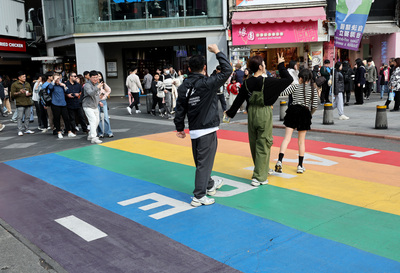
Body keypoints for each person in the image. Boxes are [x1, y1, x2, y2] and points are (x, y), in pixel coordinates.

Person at [174, 44, 232, 207]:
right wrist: (217, 52)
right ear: (204, 67)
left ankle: (209, 184)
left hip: (194, 130)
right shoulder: (207, 83)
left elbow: (180, 108)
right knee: (203, 163)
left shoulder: (184, 86)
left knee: (201, 161)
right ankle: (199, 196)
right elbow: (228, 71)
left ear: (190, 69)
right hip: (207, 128)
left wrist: (179, 127)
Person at [225, 53, 293, 187]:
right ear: (261, 67)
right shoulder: (268, 82)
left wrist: (229, 113)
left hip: (251, 114)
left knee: (254, 142)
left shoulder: (247, 83)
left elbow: (239, 100)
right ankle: (259, 177)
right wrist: (280, 65)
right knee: (264, 142)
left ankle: (262, 168)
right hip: (264, 113)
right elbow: (288, 79)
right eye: (264, 64)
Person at [274, 69, 319, 174]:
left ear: (300, 78)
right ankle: (300, 165)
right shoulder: (313, 90)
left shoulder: (295, 86)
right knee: (301, 141)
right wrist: (309, 115)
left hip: (293, 111)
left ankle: (279, 161)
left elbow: (282, 93)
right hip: (305, 112)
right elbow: (315, 105)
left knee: (287, 138)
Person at [49, 75, 76, 139]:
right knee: (57, 118)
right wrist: (54, 80)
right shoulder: (52, 86)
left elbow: (67, 92)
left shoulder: (61, 85)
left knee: (66, 118)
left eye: (59, 79)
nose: (58, 80)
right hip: (55, 104)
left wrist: (64, 86)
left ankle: (69, 132)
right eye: (57, 79)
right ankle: (59, 132)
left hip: (63, 104)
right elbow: (50, 88)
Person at [10, 71, 35, 136]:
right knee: (20, 117)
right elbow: (12, 95)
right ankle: (20, 130)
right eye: (23, 77)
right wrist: (19, 92)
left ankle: (27, 129)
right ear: (19, 78)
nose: (24, 78)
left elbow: (31, 92)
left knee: (27, 117)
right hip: (20, 102)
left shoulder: (27, 84)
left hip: (28, 102)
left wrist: (29, 94)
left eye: (25, 76)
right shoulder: (15, 84)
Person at [82, 70, 103, 144]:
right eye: (94, 77)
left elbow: (96, 95)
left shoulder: (96, 84)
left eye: (96, 77)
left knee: (97, 121)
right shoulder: (87, 85)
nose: (95, 79)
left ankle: (91, 134)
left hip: (95, 106)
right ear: (90, 78)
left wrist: (99, 101)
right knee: (93, 120)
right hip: (87, 106)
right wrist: (97, 87)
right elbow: (91, 93)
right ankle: (94, 137)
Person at [97, 71, 113, 138]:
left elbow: (109, 90)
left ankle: (108, 132)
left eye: (100, 76)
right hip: (96, 102)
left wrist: (105, 95)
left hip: (103, 101)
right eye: (97, 76)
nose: (98, 77)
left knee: (106, 117)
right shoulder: (95, 85)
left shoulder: (103, 84)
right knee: (99, 118)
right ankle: (100, 133)